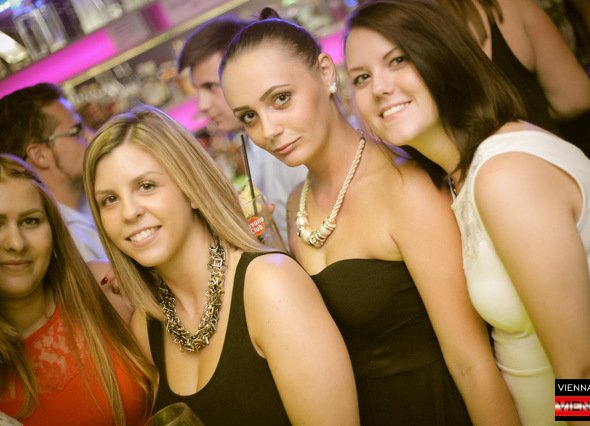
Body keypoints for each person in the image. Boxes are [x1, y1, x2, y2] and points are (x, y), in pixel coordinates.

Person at [343, 1, 590, 425]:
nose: (379, 88)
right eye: (361, 77)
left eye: (398, 60)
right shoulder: (461, 175)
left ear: (443, 54)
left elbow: (586, 372)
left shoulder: (506, 176)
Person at [219, 10, 519, 426]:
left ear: (326, 73)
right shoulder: (295, 204)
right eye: (249, 117)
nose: (268, 129)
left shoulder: (407, 187)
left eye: (281, 98)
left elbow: (473, 364)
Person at [82, 105, 359, 425]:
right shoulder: (146, 326)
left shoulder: (270, 285)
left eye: (146, 186)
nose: (129, 212)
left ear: (191, 189)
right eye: (109, 200)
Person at [0, 154, 154, 425]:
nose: (16, 243)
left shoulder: (104, 288)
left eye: (30, 221)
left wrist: (147, 279)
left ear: (53, 230)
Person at [178, 15, 307, 247]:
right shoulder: (252, 145)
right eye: (198, 91)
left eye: (210, 87)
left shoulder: (287, 140)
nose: (202, 105)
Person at [433, 0, 590, 134]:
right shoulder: (510, 6)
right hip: (543, 152)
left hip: (482, 161)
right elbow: (576, 99)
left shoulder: (421, 36)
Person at [0, 83, 106, 263]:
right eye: (76, 131)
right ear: (40, 155)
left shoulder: (97, 199)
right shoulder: (63, 245)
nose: (90, 136)